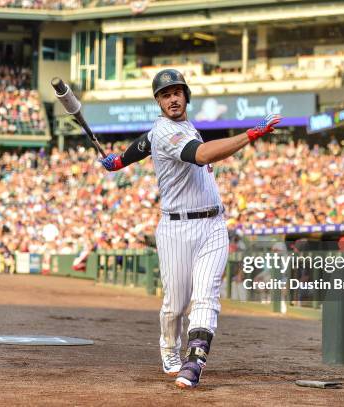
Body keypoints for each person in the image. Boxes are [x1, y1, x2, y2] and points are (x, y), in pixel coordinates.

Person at [99, 68, 281, 388]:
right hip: (176, 229)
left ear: (186, 96)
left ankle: (195, 361)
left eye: (177, 92)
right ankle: (169, 346)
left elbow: (143, 143)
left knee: (205, 296)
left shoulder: (178, 126)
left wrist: (119, 162)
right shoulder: (168, 132)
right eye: (165, 95)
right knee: (175, 304)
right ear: (158, 101)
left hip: (213, 224)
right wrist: (248, 135)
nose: (172, 98)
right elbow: (200, 154)